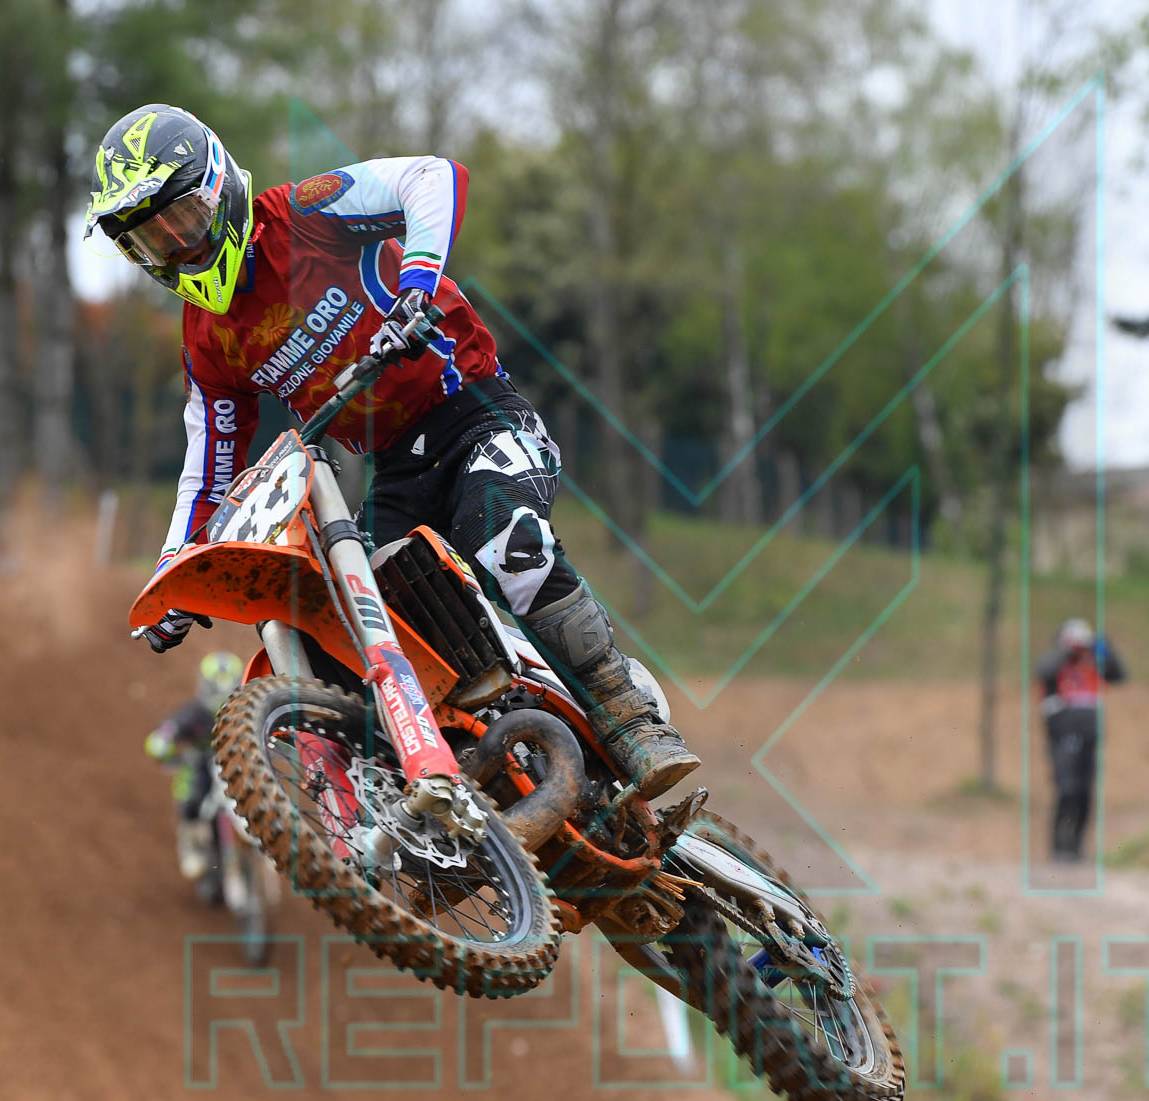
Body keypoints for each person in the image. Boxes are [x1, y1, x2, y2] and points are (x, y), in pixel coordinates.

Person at [87, 103, 698, 800]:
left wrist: (416, 287)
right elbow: (210, 458)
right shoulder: (206, 337)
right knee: (348, 626)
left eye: (184, 220)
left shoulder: (305, 212)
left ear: (220, 189)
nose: (178, 248)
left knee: (503, 538)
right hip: (397, 469)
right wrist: (175, 568)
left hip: (476, 413)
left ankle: (626, 712)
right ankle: (464, 787)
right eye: (153, 240)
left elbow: (432, 178)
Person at [145, 651, 244, 882]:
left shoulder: (245, 713)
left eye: (228, 688)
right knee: (190, 799)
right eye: (216, 688)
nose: (221, 695)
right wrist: (163, 744)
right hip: (203, 765)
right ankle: (191, 848)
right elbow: (167, 732)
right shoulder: (194, 713)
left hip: (237, 764)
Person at [1034, 619, 1125, 862]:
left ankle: (1076, 847)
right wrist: (1067, 650)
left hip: (1089, 734)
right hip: (1063, 733)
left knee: (1085, 792)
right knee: (1067, 789)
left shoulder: (1092, 663)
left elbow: (1119, 675)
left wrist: (1105, 648)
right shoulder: (1056, 663)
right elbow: (1043, 670)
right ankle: (1058, 846)